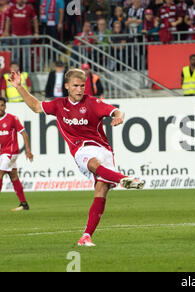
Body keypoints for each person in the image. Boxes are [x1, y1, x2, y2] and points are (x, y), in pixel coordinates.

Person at [7, 68, 144, 247]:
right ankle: (123, 179)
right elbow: (35, 106)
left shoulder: (93, 103)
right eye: (75, 86)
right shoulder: (58, 105)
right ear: (67, 86)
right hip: (81, 149)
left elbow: (117, 112)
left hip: (103, 148)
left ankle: (86, 236)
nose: (79, 89)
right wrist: (19, 87)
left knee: (101, 189)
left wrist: (119, 118)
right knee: (92, 163)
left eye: (82, 86)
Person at [0, 97, 33, 211]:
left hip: (11, 152)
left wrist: (28, 150)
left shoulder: (12, 118)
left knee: (0, 173)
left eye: (2, 105)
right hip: (3, 153)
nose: (0, 108)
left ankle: (24, 203)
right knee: (13, 176)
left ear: (5, 106)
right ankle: (24, 203)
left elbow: (24, 133)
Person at [3, 0, 39, 73]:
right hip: (15, 35)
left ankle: (27, 72)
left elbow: (35, 19)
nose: (20, 0)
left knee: (26, 55)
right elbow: (8, 20)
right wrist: (6, 31)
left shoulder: (29, 8)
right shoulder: (12, 8)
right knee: (15, 55)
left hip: (26, 36)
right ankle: (14, 72)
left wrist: (36, 32)